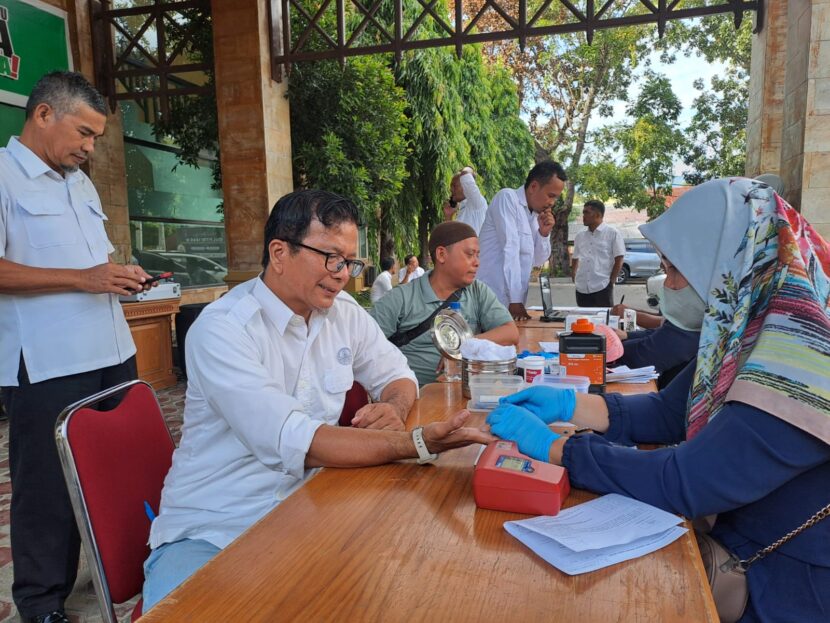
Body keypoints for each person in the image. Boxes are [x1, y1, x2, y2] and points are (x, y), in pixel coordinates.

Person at [486, 178, 830, 622]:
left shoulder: (803, 362)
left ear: (725, 261)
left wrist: (557, 448)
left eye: (674, 268)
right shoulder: (748, 333)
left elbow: (686, 481)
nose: (667, 283)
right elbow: (670, 410)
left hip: (787, 583)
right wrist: (571, 406)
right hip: (742, 542)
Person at [142, 190, 494, 612]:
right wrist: (418, 442)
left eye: (349, 261)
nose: (343, 274)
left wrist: (395, 407)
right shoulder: (223, 330)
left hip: (312, 508)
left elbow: (397, 374)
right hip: (216, 527)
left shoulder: (341, 311)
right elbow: (297, 439)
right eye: (331, 257)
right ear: (279, 252)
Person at [0, 72, 155, 623]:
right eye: (84, 134)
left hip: (111, 352)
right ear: (44, 114)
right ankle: (41, 603)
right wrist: (83, 278)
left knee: (119, 467)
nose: (90, 149)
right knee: (47, 489)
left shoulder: (79, 184)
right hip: (47, 363)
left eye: (96, 138)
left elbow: (92, 266)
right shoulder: (2, 177)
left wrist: (118, 277)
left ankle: (127, 568)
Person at [371, 222, 519, 385]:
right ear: (441, 254)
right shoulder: (402, 298)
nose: (477, 262)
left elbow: (511, 333)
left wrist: (462, 347)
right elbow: (362, 346)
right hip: (417, 400)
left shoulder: (477, 291)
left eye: (478, 255)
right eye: (470, 254)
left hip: (466, 395)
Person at [478, 161, 565, 320]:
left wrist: (543, 234)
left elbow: (537, 260)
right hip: (490, 300)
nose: (552, 202)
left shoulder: (534, 217)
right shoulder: (507, 198)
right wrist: (515, 300)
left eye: (556, 198)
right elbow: (510, 248)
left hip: (513, 305)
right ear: (533, 187)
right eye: (550, 195)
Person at [571, 199, 625, 307]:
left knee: (604, 321)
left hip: (602, 287)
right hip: (581, 288)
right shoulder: (580, 236)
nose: (583, 216)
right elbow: (575, 257)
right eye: (583, 213)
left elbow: (619, 259)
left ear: (598, 215)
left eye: (587, 212)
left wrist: (611, 282)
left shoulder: (612, 233)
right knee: (583, 320)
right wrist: (574, 277)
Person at [442, 166, 488, 234]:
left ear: (465, 185)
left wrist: (470, 170)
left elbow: (466, 175)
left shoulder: (476, 203)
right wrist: (448, 216)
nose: (451, 189)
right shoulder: (462, 209)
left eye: (454, 186)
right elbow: (450, 239)